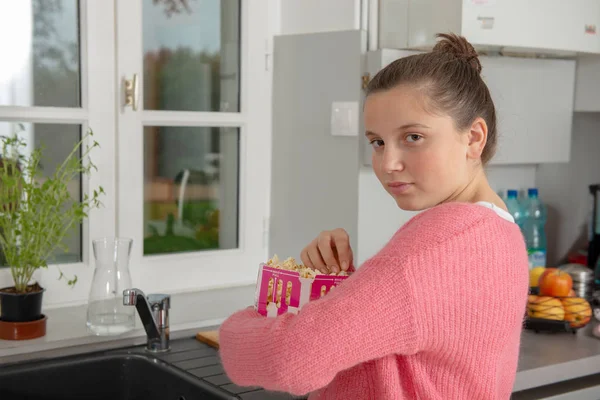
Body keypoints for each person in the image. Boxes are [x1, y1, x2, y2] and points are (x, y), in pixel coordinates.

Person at [218, 33, 529, 399]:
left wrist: (239, 326)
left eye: (413, 137)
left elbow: (290, 360)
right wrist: (340, 289)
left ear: (474, 138)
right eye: (377, 142)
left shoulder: (438, 244)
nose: (388, 164)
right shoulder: (499, 231)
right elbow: (409, 348)